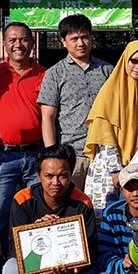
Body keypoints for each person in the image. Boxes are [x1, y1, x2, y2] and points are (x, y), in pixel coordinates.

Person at [2, 144, 96, 274]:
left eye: (63, 175)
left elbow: (91, 247)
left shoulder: (83, 202)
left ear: (71, 174)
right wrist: (36, 231)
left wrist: (74, 265)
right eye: (49, 176)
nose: (56, 182)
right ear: (39, 175)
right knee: (11, 272)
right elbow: (14, 247)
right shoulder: (22, 199)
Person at [0, 22, 47, 239]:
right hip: (3, 155)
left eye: (24, 39)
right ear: (5, 44)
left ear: (32, 43)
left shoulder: (44, 74)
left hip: (36, 154)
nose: (19, 44)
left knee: (37, 208)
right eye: (13, 40)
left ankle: (34, 254)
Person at [84, 40, 138, 218]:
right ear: (125, 60)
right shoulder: (110, 90)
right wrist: (116, 171)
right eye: (134, 61)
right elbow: (105, 135)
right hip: (109, 169)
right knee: (107, 219)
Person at [38, 14, 114, 190]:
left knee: (101, 205)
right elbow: (48, 117)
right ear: (63, 41)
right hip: (71, 156)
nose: (81, 43)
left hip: (103, 154)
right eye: (74, 38)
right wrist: (53, 156)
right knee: (69, 204)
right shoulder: (55, 73)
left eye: (84, 37)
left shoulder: (108, 71)